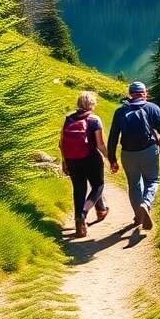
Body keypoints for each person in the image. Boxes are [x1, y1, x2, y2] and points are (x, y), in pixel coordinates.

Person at [108, 81, 160, 230]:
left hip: (128, 154)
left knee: (134, 184)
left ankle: (138, 216)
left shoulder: (120, 111)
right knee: (153, 180)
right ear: (144, 93)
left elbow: (113, 137)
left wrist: (112, 159)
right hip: (149, 151)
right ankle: (146, 204)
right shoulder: (151, 108)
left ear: (130, 94)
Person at [61, 91, 109, 238]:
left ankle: (80, 223)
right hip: (90, 158)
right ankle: (83, 214)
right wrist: (110, 158)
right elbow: (100, 144)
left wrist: (64, 161)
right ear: (91, 104)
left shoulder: (68, 119)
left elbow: (61, 142)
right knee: (98, 186)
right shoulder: (94, 120)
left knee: (79, 188)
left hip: (72, 159)